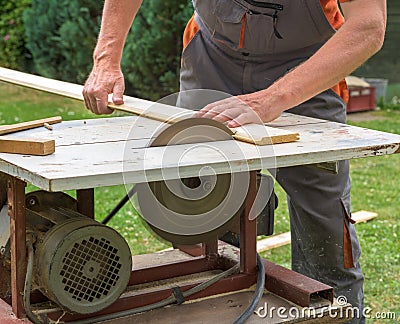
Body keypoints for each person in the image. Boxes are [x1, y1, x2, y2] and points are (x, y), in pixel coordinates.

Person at [83, 1, 386, 323]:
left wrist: (275, 97)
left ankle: (336, 314)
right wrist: (106, 60)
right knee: (202, 208)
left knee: (324, 224)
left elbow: (368, 26)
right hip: (213, 58)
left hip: (311, 66)